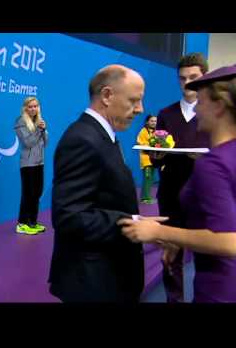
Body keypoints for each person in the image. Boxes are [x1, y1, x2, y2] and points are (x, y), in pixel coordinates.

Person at [119, 61, 236, 303]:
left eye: (203, 101)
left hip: (220, 288)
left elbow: (229, 241)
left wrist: (159, 231)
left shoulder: (213, 164)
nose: (196, 110)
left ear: (219, 107)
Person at [49, 64, 151, 302]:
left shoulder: (103, 135)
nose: (140, 109)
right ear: (106, 95)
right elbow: (68, 217)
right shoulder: (83, 139)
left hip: (107, 278)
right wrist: (131, 223)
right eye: (134, 100)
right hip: (93, 284)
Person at [151, 52, 211, 303]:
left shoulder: (214, 113)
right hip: (171, 193)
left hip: (204, 194)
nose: (187, 83)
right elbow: (157, 157)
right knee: (171, 255)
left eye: (194, 77)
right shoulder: (166, 113)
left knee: (207, 257)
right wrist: (157, 153)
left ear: (205, 77)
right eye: (182, 78)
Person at [14, 96, 49, 235]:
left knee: (37, 192)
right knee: (28, 193)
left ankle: (33, 222)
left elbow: (45, 142)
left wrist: (44, 130)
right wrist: (38, 130)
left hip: (39, 162)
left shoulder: (39, 122)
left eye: (35, 106)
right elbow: (28, 142)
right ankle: (22, 223)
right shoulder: (20, 122)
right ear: (25, 108)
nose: (33, 109)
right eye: (30, 106)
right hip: (28, 164)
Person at [136, 114, 157, 204]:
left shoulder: (155, 132)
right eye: (152, 121)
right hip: (146, 159)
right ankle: (145, 198)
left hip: (153, 159)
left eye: (155, 121)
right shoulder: (143, 132)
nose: (154, 123)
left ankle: (145, 196)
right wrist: (151, 144)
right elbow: (140, 142)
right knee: (147, 178)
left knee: (151, 179)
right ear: (147, 122)